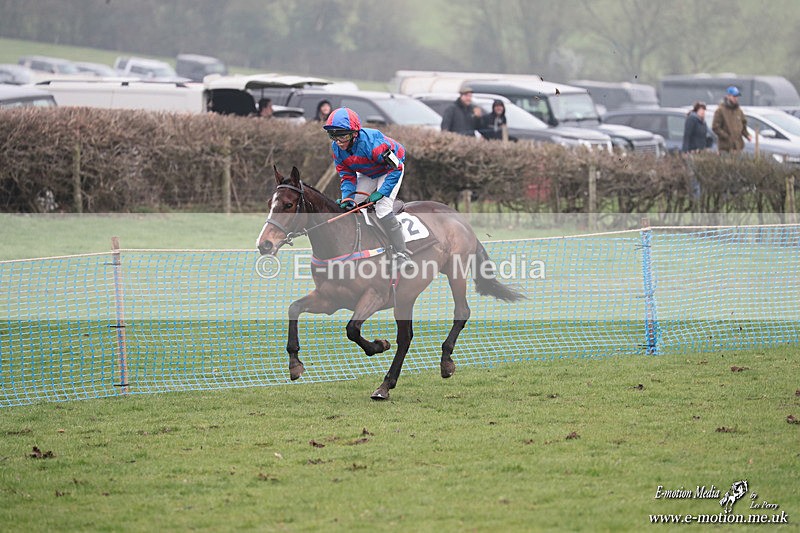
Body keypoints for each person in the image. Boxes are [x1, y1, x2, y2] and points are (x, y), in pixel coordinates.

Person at [323, 107, 410, 266]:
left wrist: (382, 192)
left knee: (382, 209)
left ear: (355, 134)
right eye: (333, 136)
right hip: (368, 171)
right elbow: (347, 176)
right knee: (351, 208)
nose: (338, 141)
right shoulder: (337, 149)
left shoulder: (374, 145)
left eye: (343, 135)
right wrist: (348, 198)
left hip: (391, 169)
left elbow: (395, 168)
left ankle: (402, 254)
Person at [712, 86, 750, 152]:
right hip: (725, 148)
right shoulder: (720, 110)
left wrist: (747, 135)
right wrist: (727, 137)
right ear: (728, 96)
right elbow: (715, 127)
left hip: (738, 147)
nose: (736, 98)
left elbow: (743, 124)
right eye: (734, 96)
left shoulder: (739, 110)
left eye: (737, 96)